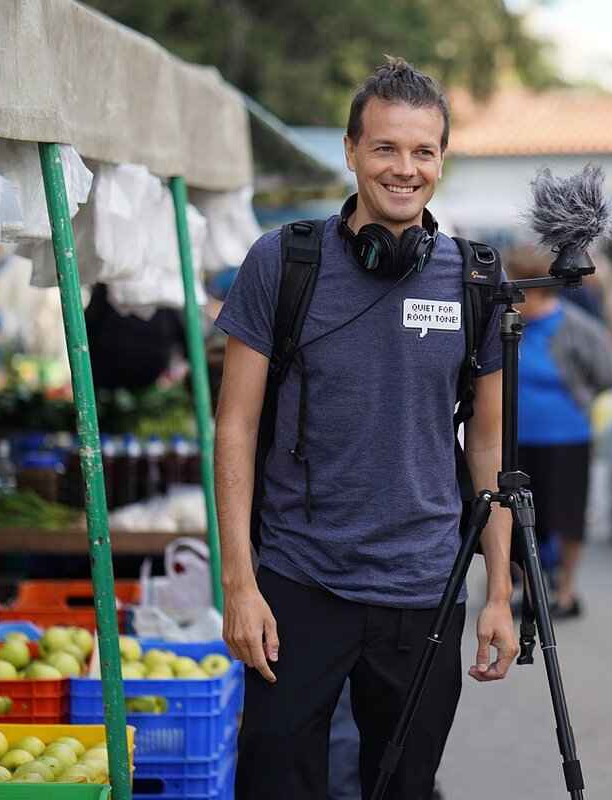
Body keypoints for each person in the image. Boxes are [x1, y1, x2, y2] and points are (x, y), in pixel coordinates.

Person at [214, 57, 517, 800]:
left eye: (423, 151)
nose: (404, 169)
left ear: (442, 158)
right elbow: (234, 426)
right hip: (297, 582)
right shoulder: (282, 263)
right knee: (277, 784)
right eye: (385, 148)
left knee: (402, 787)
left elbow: (488, 447)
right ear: (351, 151)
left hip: (421, 589)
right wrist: (239, 583)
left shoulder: (475, 280)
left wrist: (500, 593)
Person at [506, 245, 612, 618]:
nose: (509, 294)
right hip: (514, 439)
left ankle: (566, 591)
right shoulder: (508, 326)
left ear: (538, 290)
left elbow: (608, 374)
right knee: (518, 519)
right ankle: (529, 589)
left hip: (566, 438)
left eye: (517, 288)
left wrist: (580, 399)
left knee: (567, 518)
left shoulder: (576, 327)